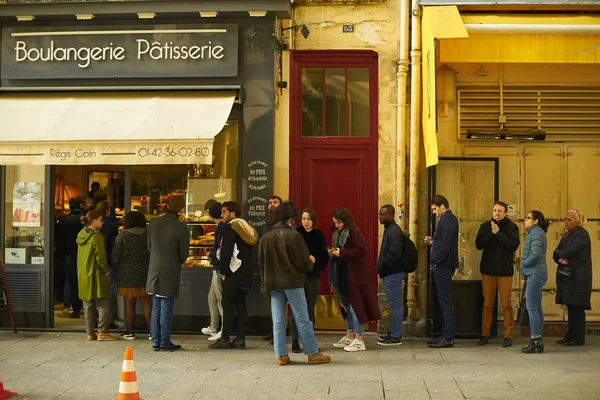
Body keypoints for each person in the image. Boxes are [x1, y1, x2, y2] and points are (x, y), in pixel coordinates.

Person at [258, 201, 331, 365]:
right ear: (291, 218)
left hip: (273, 283)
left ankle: (281, 354)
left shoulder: (266, 237)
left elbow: (260, 260)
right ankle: (312, 352)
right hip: (293, 282)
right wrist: (310, 262)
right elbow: (303, 262)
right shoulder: (294, 235)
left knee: (278, 319)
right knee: (302, 317)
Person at [329, 207, 381, 352]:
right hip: (342, 275)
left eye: (339, 222)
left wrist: (342, 252)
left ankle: (359, 339)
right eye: (335, 223)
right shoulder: (336, 233)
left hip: (354, 276)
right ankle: (349, 336)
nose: (337, 225)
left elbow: (361, 250)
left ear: (345, 220)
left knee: (355, 308)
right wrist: (333, 252)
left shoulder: (354, 232)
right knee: (346, 306)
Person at [209, 201, 258, 350]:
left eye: (224, 212)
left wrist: (223, 271)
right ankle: (240, 339)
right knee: (241, 305)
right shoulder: (246, 228)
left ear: (232, 214)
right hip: (245, 273)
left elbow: (226, 252)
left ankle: (224, 339)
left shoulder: (230, 228)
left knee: (227, 304)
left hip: (233, 273)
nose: (221, 215)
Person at [146, 195, 189, 351]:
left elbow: (149, 246)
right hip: (170, 270)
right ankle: (164, 341)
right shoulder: (181, 227)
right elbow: (184, 253)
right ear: (180, 209)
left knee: (156, 305)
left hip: (153, 268)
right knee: (166, 307)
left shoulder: (154, 222)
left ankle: (156, 340)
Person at [475, 201, 520, 348]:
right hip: (488, 270)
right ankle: (484, 334)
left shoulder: (512, 227)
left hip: (504, 271)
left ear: (505, 213)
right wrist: (491, 234)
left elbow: (512, 245)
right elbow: (478, 244)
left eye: (500, 211)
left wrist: (499, 233)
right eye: (495, 210)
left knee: (506, 304)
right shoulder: (485, 226)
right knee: (487, 304)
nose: (496, 213)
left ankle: (508, 335)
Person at [289, 207, 329, 353]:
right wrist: (305, 260)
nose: (306, 222)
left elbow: (323, 256)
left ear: (313, 221)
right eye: (304, 219)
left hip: (312, 276)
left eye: (309, 219)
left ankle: (309, 340)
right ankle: (294, 339)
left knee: (309, 308)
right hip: (298, 277)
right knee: (295, 309)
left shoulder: (318, 235)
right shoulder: (296, 233)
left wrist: (315, 265)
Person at [76, 210, 118, 341]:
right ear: (93, 220)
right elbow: (101, 256)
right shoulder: (97, 237)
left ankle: (90, 333)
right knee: (103, 304)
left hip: (84, 274)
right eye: (100, 219)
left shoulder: (81, 235)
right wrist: (105, 270)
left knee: (88, 305)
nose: (102, 221)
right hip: (97, 273)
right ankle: (102, 333)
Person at [424, 195, 459, 348]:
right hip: (443, 264)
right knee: (443, 301)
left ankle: (448, 336)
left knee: (445, 302)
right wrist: (433, 241)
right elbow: (443, 241)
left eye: (434, 209)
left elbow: (446, 244)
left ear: (442, 206)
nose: (433, 212)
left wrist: (436, 259)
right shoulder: (446, 220)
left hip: (443, 265)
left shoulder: (448, 220)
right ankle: (445, 334)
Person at [554, 208, 592, 347]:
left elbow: (571, 251)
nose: (566, 222)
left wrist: (562, 255)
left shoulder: (582, 234)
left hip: (578, 278)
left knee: (577, 308)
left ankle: (577, 338)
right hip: (568, 276)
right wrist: (560, 256)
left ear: (577, 221)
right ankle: (570, 335)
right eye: (565, 219)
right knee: (570, 307)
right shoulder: (567, 235)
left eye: (569, 219)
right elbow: (556, 252)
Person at [112, 211, 152, 341]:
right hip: (146, 272)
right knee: (146, 302)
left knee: (129, 302)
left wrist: (115, 268)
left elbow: (115, 257)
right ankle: (153, 332)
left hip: (126, 274)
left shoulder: (122, 237)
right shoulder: (148, 235)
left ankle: (129, 332)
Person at [376, 204, 405, 346]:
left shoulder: (394, 231)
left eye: (383, 214)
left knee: (396, 305)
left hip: (392, 273)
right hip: (389, 273)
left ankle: (396, 335)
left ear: (391, 215)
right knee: (394, 304)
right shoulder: (390, 230)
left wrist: (382, 266)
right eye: (380, 214)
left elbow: (394, 254)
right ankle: (393, 332)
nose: (380, 217)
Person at [520, 210, 548, 354]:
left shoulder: (536, 233)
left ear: (536, 221)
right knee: (536, 307)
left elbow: (535, 255)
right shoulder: (535, 233)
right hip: (536, 273)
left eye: (528, 218)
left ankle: (535, 339)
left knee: (531, 307)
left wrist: (523, 266)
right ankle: (538, 339)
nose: (525, 220)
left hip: (535, 273)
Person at [201, 201, 226, 343]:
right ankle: (214, 326)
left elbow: (220, 250)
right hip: (216, 266)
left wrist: (212, 255)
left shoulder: (221, 228)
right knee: (212, 297)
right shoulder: (221, 227)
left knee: (220, 298)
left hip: (218, 268)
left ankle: (223, 330)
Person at [261, 195, 283, 344]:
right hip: (268, 268)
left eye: (275, 203)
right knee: (273, 302)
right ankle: (276, 330)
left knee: (281, 302)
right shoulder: (266, 225)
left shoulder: (285, 224)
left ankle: (280, 333)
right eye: (269, 203)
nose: (272, 205)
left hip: (281, 269)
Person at [64, 196, 90, 319]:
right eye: (86, 203)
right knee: (85, 281)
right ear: (81, 205)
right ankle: (88, 309)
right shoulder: (86, 219)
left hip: (70, 253)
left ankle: (74, 308)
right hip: (84, 253)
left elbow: (62, 238)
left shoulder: (67, 220)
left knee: (72, 281)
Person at [96, 200, 119, 330]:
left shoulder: (90, 225)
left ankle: (96, 319)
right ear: (107, 210)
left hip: (95, 263)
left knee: (96, 290)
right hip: (108, 261)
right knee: (110, 291)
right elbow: (114, 245)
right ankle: (109, 319)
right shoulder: (111, 224)